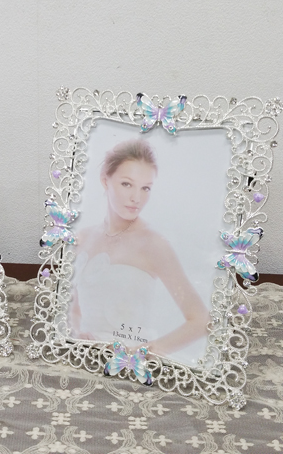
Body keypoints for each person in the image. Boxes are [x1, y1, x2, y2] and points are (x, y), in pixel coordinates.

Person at [70, 139, 209, 359]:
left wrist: (142, 353)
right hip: (84, 357)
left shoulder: (153, 243)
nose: (137, 198)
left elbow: (201, 321)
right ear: (105, 180)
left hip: (130, 365)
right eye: (127, 184)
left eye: (146, 188)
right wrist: (77, 333)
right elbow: (75, 310)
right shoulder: (84, 237)